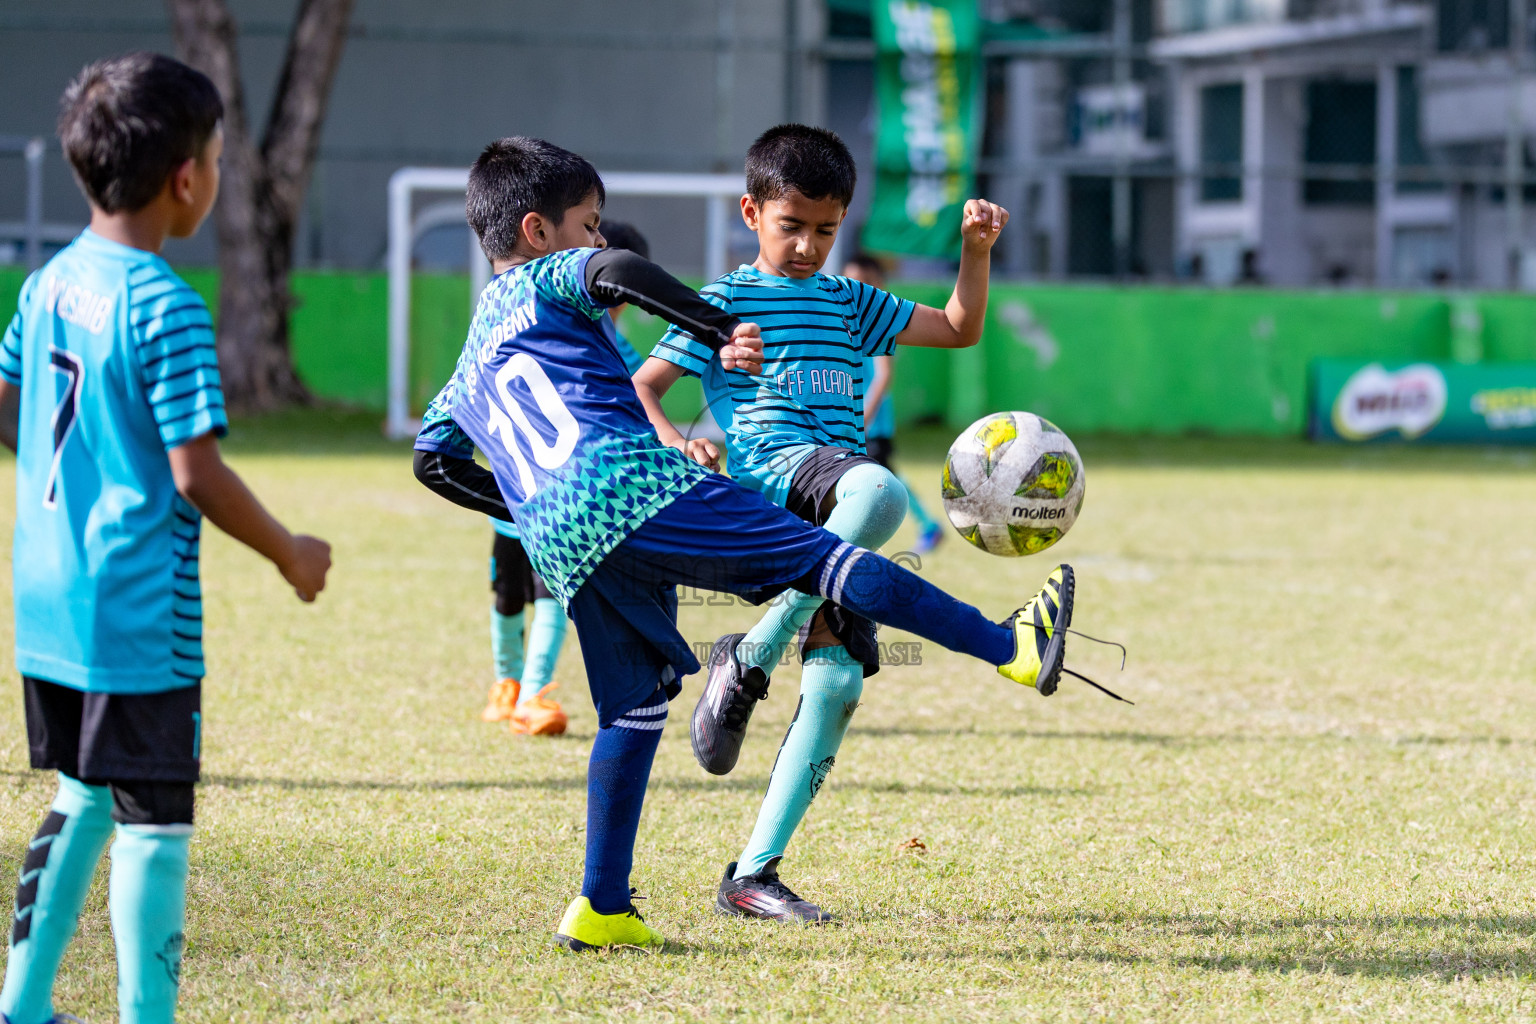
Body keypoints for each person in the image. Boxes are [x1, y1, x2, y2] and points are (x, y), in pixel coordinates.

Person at [413, 136, 1077, 952]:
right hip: (643, 487)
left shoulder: (473, 350)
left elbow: (432, 460)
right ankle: (1008, 644)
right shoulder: (554, 274)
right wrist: (715, 322)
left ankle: (606, 906)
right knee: (841, 548)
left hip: (565, 535)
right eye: (589, 224)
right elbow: (616, 273)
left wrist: (524, 504)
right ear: (538, 231)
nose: (599, 237)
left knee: (636, 709)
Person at [0, 53, 332, 1024]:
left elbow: (9, 398)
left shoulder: (49, 280)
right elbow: (198, 473)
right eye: (220, 160)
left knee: (81, 791)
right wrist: (288, 551)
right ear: (188, 177)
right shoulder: (167, 305)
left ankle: (21, 1003)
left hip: (50, 599)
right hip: (141, 614)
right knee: (155, 822)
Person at [631, 125, 1007, 922]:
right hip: (780, 483)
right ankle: (755, 653)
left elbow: (958, 326)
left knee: (836, 684)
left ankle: (752, 875)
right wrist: (684, 441)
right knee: (882, 497)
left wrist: (974, 251)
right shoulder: (722, 304)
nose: (808, 245)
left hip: (834, 503)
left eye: (826, 230)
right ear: (751, 212)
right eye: (790, 225)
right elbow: (644, 388)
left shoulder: (850, 302)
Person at [477, 223, 652, 735]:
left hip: (568, 508)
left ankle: (535, 694)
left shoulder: (628, 360)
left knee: (554, 597)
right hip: (511, 499)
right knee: (507, 595)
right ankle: (505, 685)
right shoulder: (524, 329)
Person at [842, 251, 947, 556]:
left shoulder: (875, 324)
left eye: (861, 282)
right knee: (886, 477)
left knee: (881, 480)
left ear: (878, 285)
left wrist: (864, 417)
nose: (853, 288)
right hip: (856, 422)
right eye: (849, 281)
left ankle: (926, 526)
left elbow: (883, 376)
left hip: (870, 424)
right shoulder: (846, 323)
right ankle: (927, 526)